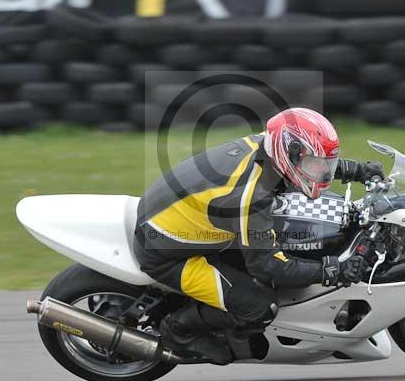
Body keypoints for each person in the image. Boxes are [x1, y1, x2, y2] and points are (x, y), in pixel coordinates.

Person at [133, 108, 384, 362]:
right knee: (259, 307)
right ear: (291, 153)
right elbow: (267, 266)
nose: (321, 170)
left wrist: (355, 170)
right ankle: (177, 332)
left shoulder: (269, 146)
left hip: (181, 218)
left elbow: (306, 163)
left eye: (324, 163)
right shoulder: (252, 197)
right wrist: (332, 270)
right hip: (169, 252)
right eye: (317, 163)